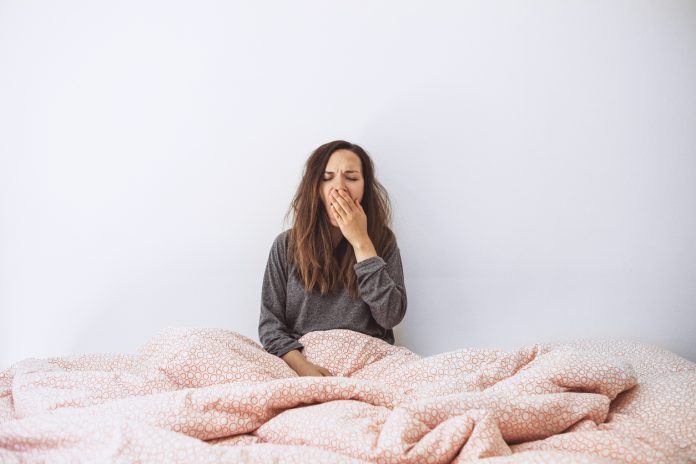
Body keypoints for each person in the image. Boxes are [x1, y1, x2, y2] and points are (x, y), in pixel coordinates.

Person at [258, 140, 407, 376]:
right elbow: (270, 327)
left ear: (365, 187)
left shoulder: (382, 242)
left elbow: (390, 316)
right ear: (314, 188)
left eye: (352, 177)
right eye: (327, 178)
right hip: (305, 362)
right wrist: (305, 369)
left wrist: (362, 243)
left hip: (370, 362)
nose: (339, 188)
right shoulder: (285, 246)